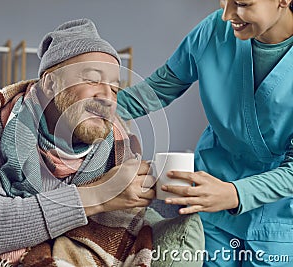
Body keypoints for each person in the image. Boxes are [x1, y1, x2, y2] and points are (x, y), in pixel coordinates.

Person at [0, 18, 158, 266]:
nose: (107, 97)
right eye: (92, 79)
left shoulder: (116, 148)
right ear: (50, 83)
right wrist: (99, 194)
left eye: (114, 89)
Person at [117, 0, 293, 266]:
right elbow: (156, 90)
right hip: (208, 203)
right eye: (223, 0)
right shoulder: (213, 31)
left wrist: (234, 193)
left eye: (242, 3)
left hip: (278, 216)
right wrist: (88, 111)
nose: (226, 14)